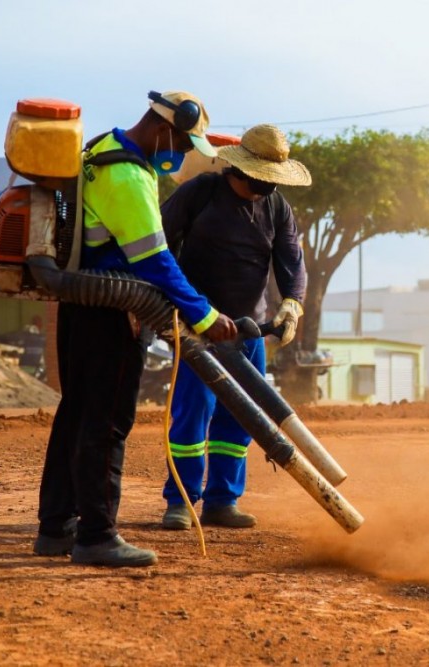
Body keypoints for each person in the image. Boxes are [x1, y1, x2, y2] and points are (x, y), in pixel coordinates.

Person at [33, 91, 238, 567]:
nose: (184, 156)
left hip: (81, 303)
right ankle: (97, 536)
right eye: (185, 145)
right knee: (107, 422)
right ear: (164, 128)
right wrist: (204, 315)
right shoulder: (125, 175)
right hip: (110, 313)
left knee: (77, 414)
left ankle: (56, 527)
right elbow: (155, 261)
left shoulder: (102, 151)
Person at [159, 124, 310, 531]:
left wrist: (292, 305)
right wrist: (169, 307)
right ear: (241, 170)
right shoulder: (201, 193)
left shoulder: (276, 208)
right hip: (197, 327)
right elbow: (159, 248)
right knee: (193, 413)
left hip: (248, 331)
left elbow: (292, 262)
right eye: (263, 178)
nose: (269, 187)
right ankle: (181, 501)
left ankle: (223, 500)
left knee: (243, 417)